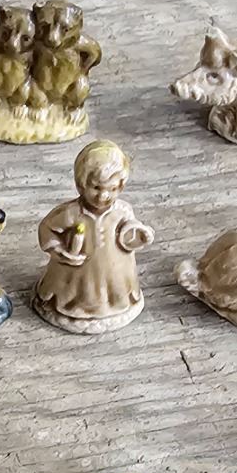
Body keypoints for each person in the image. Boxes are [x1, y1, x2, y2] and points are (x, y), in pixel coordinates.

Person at [33, 140, 154, 333]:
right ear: (81, 184)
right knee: (76, 292)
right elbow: (47, 229)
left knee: (116, 291)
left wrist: (140, 235)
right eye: (96, 187)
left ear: (121, 187)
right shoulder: (72, 213)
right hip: (76, 274)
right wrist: (60, 251)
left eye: (112, 189)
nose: (103, 196)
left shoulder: (122, 210)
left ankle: (115, 304)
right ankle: (72, 308)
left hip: (115, 272)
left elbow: (128, 234)